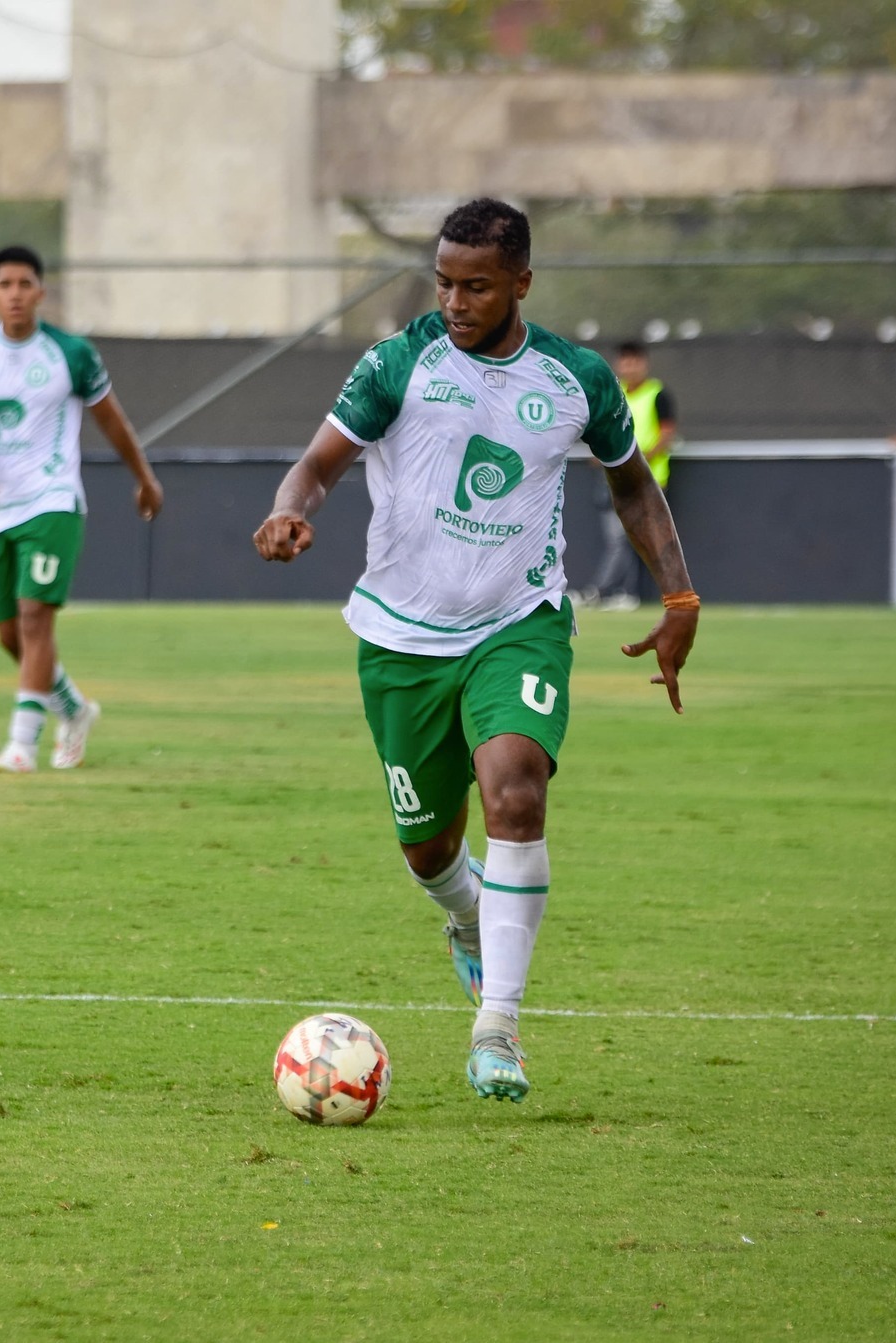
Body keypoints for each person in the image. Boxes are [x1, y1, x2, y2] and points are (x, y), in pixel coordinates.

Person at [253, 199, 697, 1103]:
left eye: (477, 285)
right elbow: (319, 464)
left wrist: (679, 594)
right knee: (426, 849)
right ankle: (464, 913)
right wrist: (289, 509)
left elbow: (635, 490)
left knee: (517, 786)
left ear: (521, 283)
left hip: (517, 620)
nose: (455, 301)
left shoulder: (576, 379)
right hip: (402, 635)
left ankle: (498, 1025)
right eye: (445, 282)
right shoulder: (398, 361)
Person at [0, 245, 163, 773]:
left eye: (26, 284)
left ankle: (22, 744)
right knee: (7, 633)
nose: (16, 294)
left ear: (41, 292)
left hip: (53, 501)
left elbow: (112, 420)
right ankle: (73, 709)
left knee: (34, 619)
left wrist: (144, 477)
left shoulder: (72, 353)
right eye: (6, 285)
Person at [583, 340, 678, 611]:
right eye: (624, 361)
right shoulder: (613, 393)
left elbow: (667, 434)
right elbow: (598, 430)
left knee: (634, 538)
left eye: (634, 361)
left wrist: (638, 459)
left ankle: (611, 592)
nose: (629, 367)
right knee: (620, 538)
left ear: (644, 364)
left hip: (648, 481)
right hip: (613, 479)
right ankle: (620, 593)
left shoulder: (658, 394)